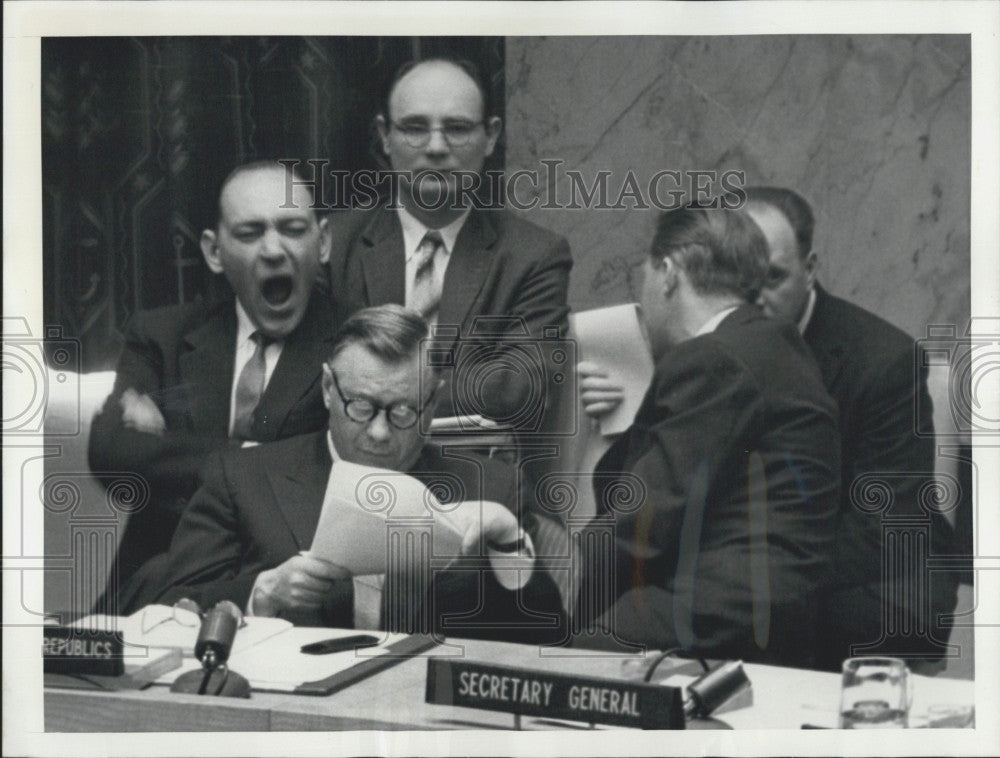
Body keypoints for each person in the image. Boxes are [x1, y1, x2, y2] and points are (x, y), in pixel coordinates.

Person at [154, 305, 563, 642]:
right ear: (329, 388)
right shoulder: (242, 477)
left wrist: (508, 539)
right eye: (361, 407)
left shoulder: (491, 486)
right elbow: (167, 612)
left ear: (434, 401)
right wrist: (262, 593)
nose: (380, 432)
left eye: (403, 411)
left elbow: (550, 641)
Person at [575, 206, 841, 668]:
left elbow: (643, 526)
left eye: (643, 277)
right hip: (774, 613)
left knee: (545, 659)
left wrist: (547, 585)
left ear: (667, 273)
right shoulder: (769, 344)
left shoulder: (714, 358)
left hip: (717, 613)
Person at [89, 160, 341, 615]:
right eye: (249, 233)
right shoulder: (161, 335)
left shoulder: (354, 341)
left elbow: (333, 471)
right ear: (213, 251)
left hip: (293, 597)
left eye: (292, 228)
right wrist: (251, 456)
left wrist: (173, 449)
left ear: (322, 241)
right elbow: (113, 452)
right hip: (156, 589)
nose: (273, 250)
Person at [744, 185, 958, 670]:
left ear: (811, 268)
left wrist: (747, 576)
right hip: (760, 565)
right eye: (738, 277)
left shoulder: (884, 361)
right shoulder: (708, 341)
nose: (753, 298)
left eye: (773, 277)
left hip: (877, 574)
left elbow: (883, 524)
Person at [327, 57, 572, 426]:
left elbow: (516, 387)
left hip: (473, 472)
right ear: (384, 135)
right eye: (414, 128)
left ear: (490, 136)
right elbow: (307, 374)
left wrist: (379, 401)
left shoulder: (534, 256)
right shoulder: (333, 242)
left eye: (457, 128)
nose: (437, 147)